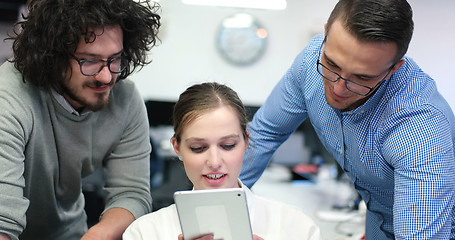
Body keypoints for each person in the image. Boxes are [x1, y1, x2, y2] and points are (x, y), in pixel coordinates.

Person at [239, 0, 455, 239]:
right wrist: (218, 212)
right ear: (326, 34)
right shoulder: (311, 61)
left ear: (393, 70)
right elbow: (265, 134)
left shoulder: (419, 130)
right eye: (332, 64)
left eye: (361, 77)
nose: (338, 87)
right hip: (375, 224)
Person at [0, 0, 161, 239]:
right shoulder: (8, 100)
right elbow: (3, 221)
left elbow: (132, 193)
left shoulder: (126, 100)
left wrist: (98, 235)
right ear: (52, 56)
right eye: (89, 60)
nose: (106, 76)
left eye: (115, 58)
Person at [122, 82, 322, 240]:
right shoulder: (144, 233)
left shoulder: (297, 228)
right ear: (177, 147)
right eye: (198, 148)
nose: (214, 161)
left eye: (228, 145)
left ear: (246, 142)